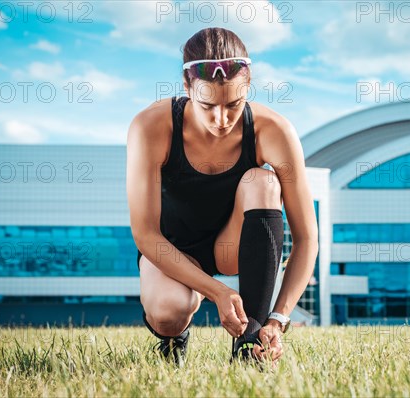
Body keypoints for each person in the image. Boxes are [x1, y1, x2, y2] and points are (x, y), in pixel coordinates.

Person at [126, 27, 318, 368]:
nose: (221, 119)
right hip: (173, 249)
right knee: (170, 311)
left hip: (231, 248)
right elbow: (145, 234)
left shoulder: (273, 130)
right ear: (187, 88)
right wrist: (217, 292)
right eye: (207, 104)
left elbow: (306, 239)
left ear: (248, 88)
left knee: (264, 182)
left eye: (234, 103)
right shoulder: (151, 126)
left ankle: (250, 345)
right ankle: (175, 340)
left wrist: (278, 317)